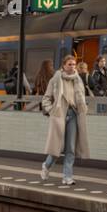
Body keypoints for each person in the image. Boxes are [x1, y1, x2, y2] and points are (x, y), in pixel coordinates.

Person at [40, 55, 89, 186]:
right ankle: (46, 165)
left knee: (70, 148)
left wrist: (84, 107)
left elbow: (82, 98)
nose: (72, 67)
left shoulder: (78, 80)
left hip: (73, 115)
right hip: (59, 115)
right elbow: (45, 99)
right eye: (70, 64)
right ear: (63, 66)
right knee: (57, 148)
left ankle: (67, 177)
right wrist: (52, 111)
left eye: (74, 64)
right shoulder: (55, 79)